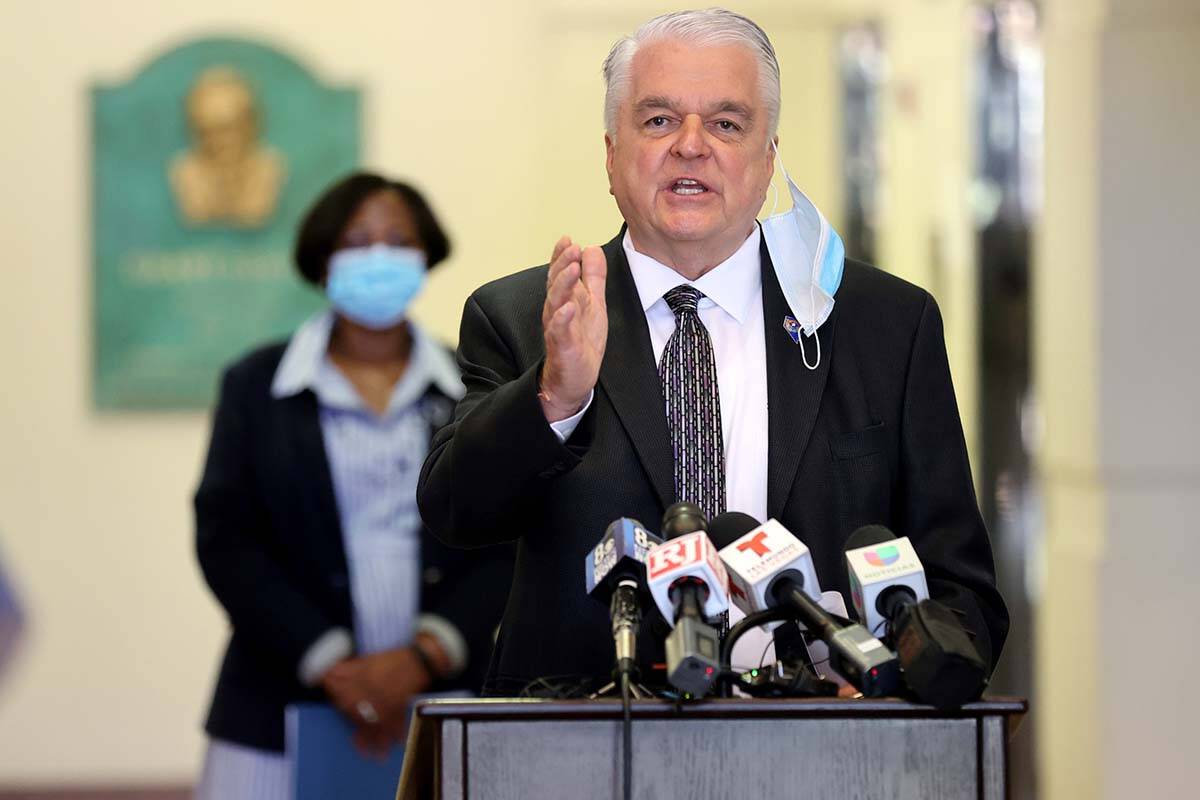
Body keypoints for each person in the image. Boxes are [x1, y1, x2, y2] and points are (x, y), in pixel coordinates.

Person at [417, 8, 1008, 695]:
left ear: (768, 159)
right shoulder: (527, 317)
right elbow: (457, 514)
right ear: (611, 154)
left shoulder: (885, 326)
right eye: (659, 120)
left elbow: (962, 592)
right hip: (586, 731)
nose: (691, 146)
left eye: (726, 124)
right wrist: (557, 394)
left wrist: (890, 689)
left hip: (825, 735)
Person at [194, 172, 513, 798]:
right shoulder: (256, 386)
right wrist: (335, 666)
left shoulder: (474, 385)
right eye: (357, 241)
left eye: (398, 241)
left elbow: (507, 539)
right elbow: (227, 539)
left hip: (448, 696)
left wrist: (419, 659)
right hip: (274, 704)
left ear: (425, 256)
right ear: (323, 261)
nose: (379, 257)